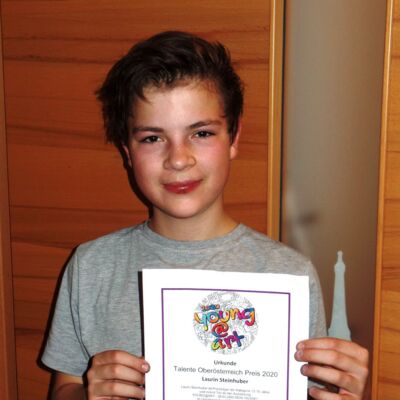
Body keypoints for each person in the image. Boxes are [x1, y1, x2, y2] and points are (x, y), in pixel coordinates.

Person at [41, 31, 369, 400]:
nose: (179, 159)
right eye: (152, 138)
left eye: (201, 133)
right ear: (127, 152)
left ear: (234, 137)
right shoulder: (91, 266)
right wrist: (88, 394)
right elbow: (63, 388)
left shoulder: (289, 273)